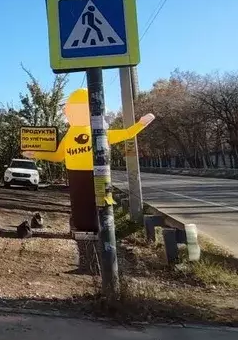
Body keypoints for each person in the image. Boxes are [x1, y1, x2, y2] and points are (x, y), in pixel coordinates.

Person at [26, 88, 153, 232]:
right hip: (77, 174)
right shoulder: (72, 135)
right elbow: (58, 155)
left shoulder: (99, 132)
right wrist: (36, 154)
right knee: (81, 203)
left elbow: (127, 133)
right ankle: (90, 225)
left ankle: (102, 227)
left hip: (97, 173)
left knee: (99, 202)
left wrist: (141, 124)